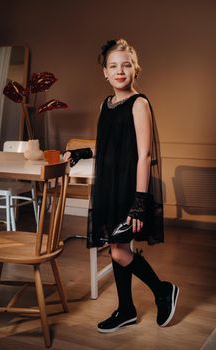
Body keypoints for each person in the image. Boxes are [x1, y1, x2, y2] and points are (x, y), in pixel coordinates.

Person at [63, 38, 179, 333]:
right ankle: (126, 309)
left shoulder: (139, 104)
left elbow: (144, 154)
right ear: (104, 71)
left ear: (135, 69)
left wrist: (140, 202)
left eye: (126, 65)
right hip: (109, 187)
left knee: (118, 251)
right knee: (117, 246)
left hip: (130, 189)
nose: (119, 70)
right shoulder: (107, 103)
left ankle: (163, 289)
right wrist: (82, 152)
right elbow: (107, 146)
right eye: (113, 65)